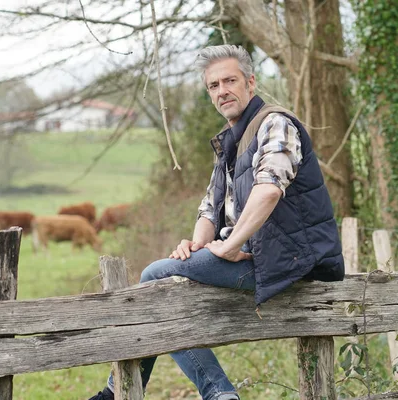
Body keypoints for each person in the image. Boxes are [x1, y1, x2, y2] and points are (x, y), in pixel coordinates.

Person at [89, 44, 344, 400]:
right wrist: (194, 246)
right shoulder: (231, 142)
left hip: (292, 260)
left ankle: (211, 393)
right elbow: (209, 207)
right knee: (169, 280)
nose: (222, 90)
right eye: (213, 85)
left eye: (230, 80)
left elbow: (269, 190)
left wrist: (232, 243)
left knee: (155, 276)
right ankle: (134, 392)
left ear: (250, 83)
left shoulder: (275, 124)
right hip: (261, 257)